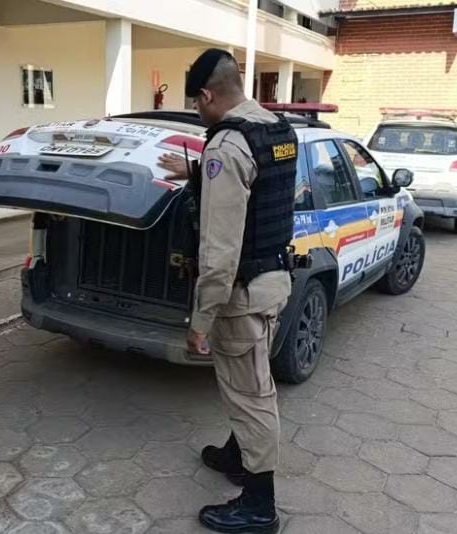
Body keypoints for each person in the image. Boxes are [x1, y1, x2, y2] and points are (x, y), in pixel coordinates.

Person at [158, 49, 297, 534]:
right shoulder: (276, 129)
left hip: (241, 294)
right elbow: (258, 191)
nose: (198, 114)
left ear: (206, 95)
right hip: (274, 281)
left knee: (252, 395)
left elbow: (219, 254)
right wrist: (197, 174)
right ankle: (239, 455)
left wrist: (201, 321)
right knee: (250, 381)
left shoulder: (226, 147)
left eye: (195, 105)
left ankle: (259, 505)